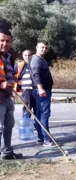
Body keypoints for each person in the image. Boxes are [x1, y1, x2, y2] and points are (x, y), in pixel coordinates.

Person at [0, 19, 23, 159]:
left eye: (8, 41)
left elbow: (9, 74)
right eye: (2, 40)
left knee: (9, 125)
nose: (5, 44)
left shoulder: (9, 56)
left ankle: (7, 152)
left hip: (7, 97)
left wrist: (12, 82)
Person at [30, 41, 55, 147]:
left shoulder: (40, 59)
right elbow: (36, 75)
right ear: (36, 47)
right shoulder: (36, 59)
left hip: (42, 90)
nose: (44, 49)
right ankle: (46, 139)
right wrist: (41, 88)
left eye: (46, 48)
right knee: (45, 115)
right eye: (42, 47)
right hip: (42, 91)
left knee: (39, 115)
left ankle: (41, 138)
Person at [15, 50, 36, 119]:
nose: (27, 57)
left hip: (36, 90)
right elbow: (13, 76)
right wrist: (19, 84)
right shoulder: (20, 65)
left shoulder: (35, 64)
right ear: (23, 56)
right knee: (27, 108)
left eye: (29, 55)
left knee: (37, 109)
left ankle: (37, 125)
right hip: (26, 91)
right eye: (25, 55)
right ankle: (26, 124)